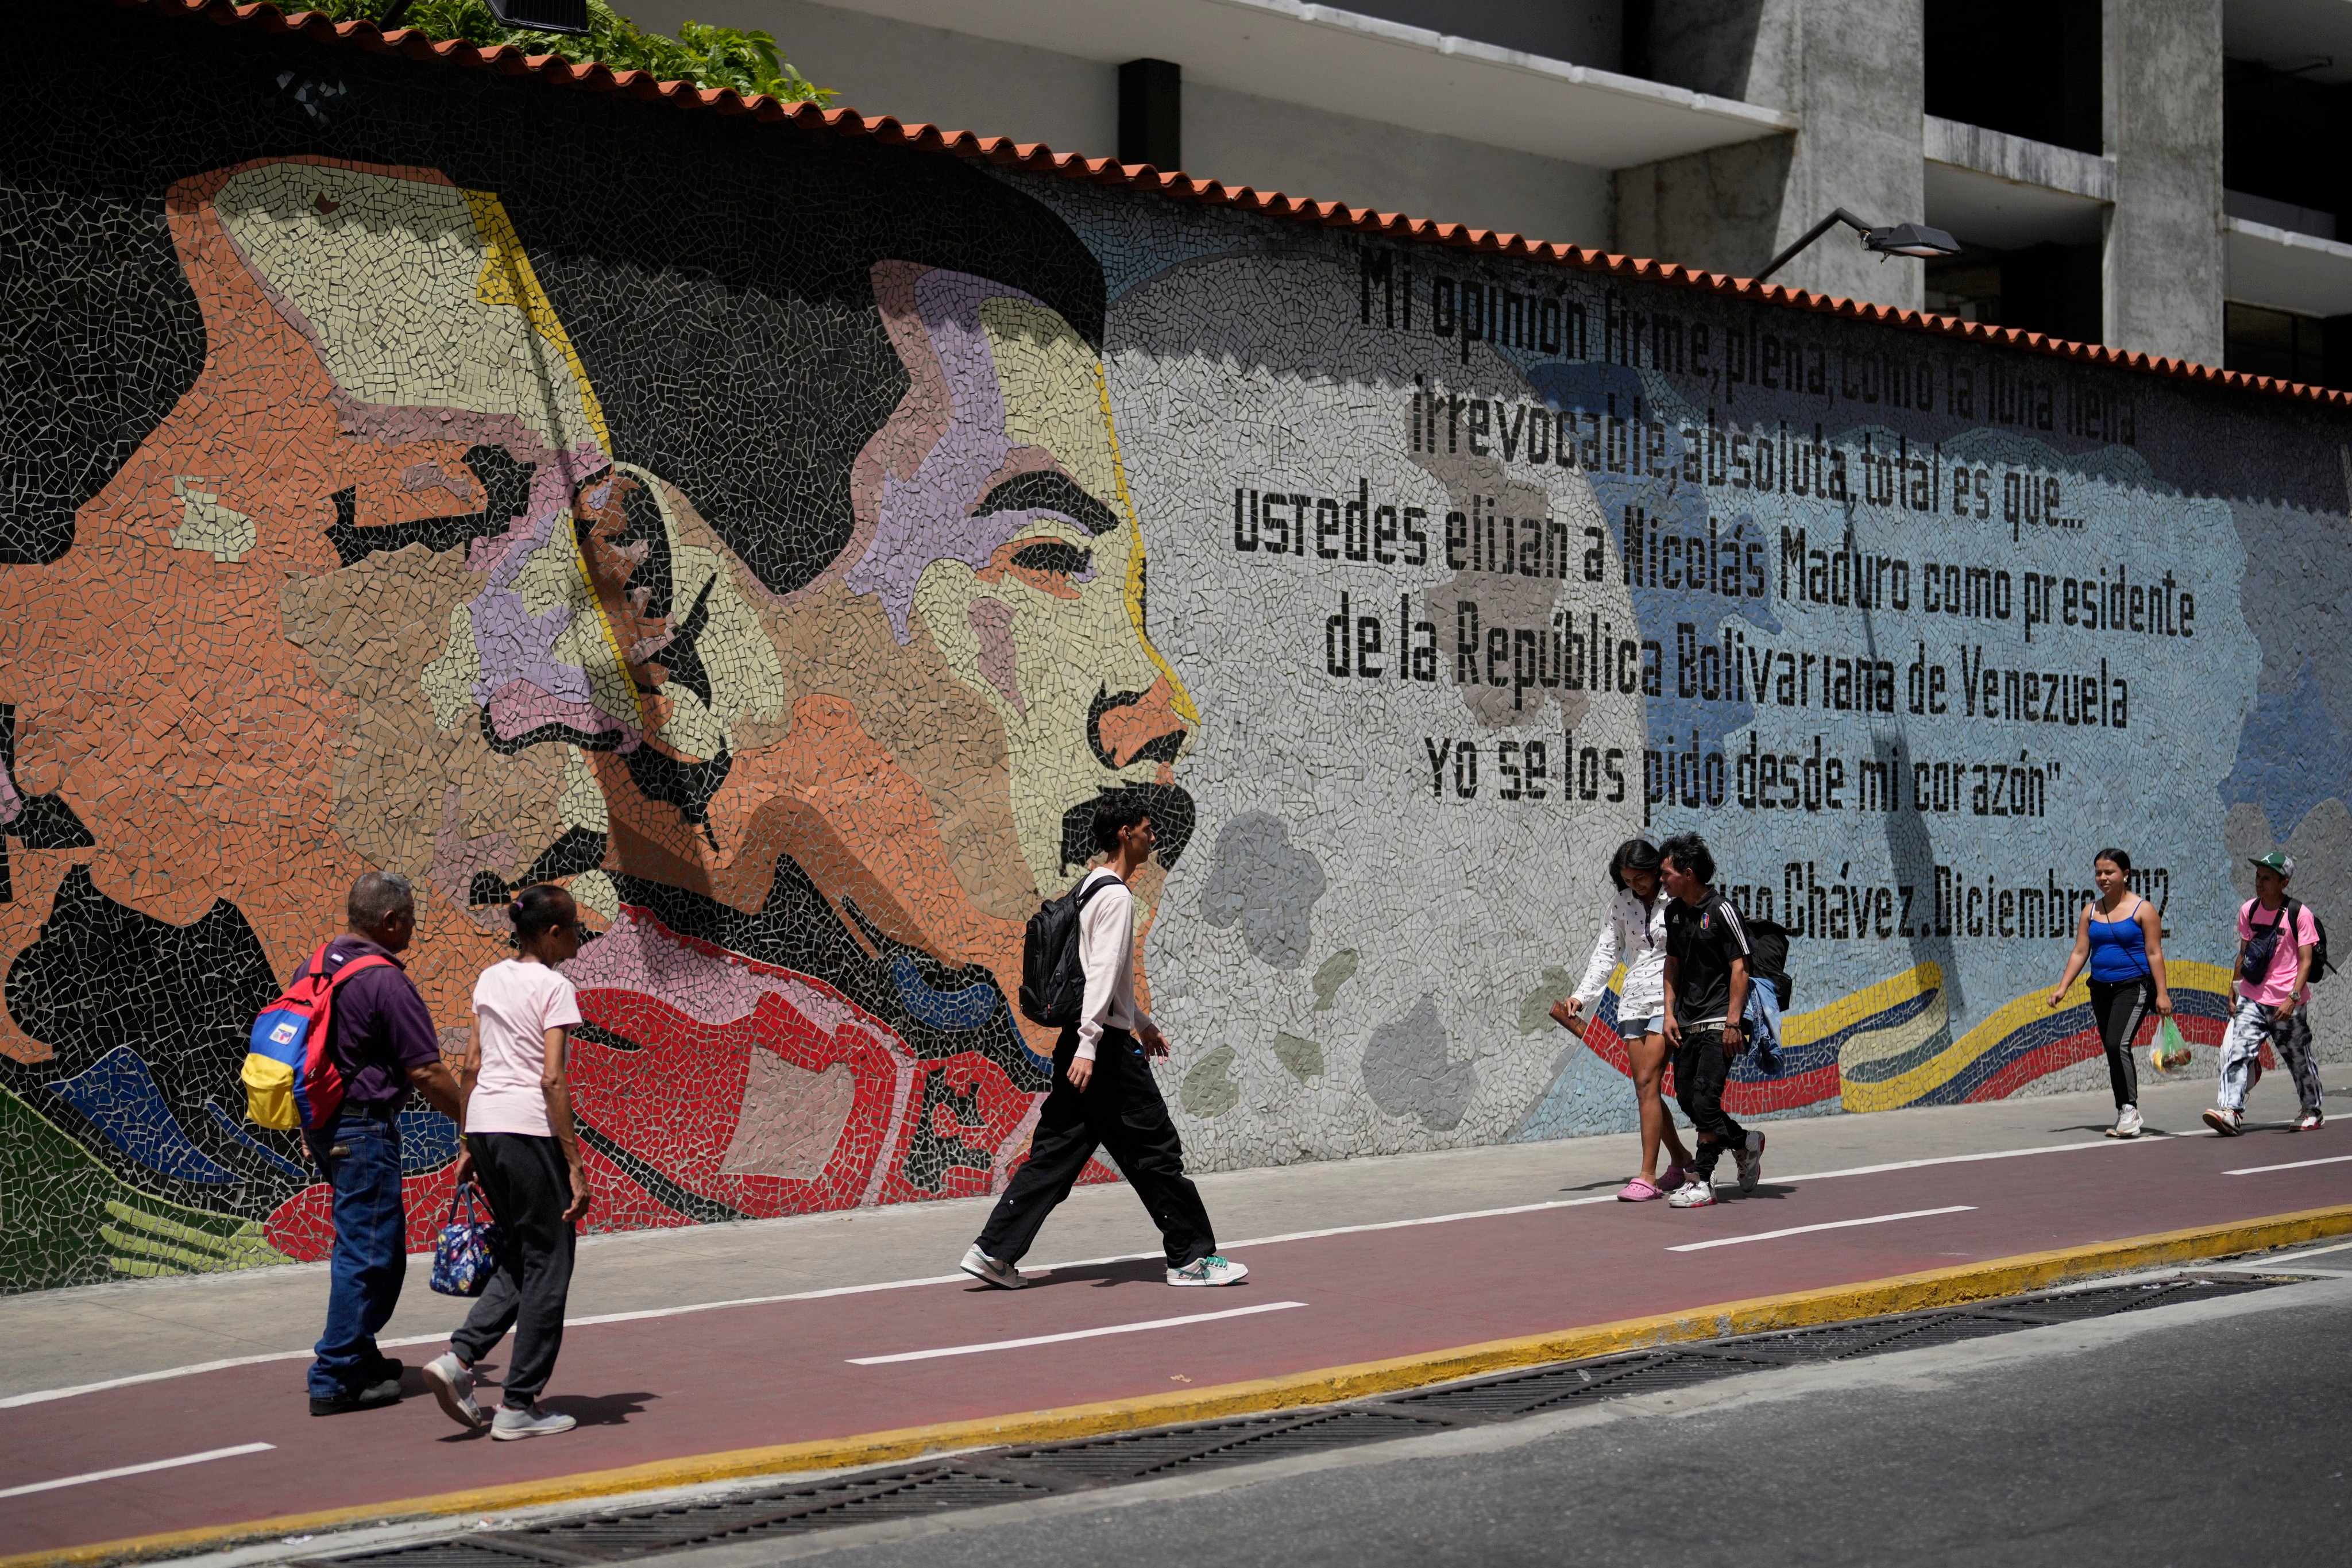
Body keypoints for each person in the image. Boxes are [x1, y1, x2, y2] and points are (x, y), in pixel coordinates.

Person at [959, 800, 1245, 1288]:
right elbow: (1102, 974)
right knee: (1156, 1151)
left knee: (1056, 1153)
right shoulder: (1115, 897)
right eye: (1146, 830)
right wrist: (1094, 1042)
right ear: (1124, 833)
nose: (1152, 839)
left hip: (1086, 1042)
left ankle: (992, 1252)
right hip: (1103, 1053)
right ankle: (1191, 1259)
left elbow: (1098, 974)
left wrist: (1141, 1022)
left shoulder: (1088, 887)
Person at [420, 885, 593, 1438]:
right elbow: (551, 1078)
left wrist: (469, 1144)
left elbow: (471, 1065)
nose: (577, 936)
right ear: (550, 933)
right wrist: (574, 1164)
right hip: (526, 1129)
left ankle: (459, 1359)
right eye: (573, 927)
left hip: (489, 1128)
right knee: (553, 1258)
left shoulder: (490, 978)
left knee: (525, 1251)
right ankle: (518, 1404)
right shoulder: (556, 988)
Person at [306, 872, 466, 1416]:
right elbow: (425, 1071)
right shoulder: (386, 981)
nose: (416, 928)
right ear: (390, 921)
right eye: (413, 918)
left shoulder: (325, 962)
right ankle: (335, 1376)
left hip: (330, 1124)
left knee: (369, 1247)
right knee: (369, 1256)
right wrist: (476, 1118)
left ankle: (360, 1355)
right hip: (364, 1129)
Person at [1557, 839, 1693, 1201]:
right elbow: (1606, 953)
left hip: (1670, 997)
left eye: (1641, 877)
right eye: (1628, 880)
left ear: (1654, 869)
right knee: (1645, 1089)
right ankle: (1681, 1162)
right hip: (1633, 1002)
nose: (1637, 885)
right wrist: (1580, 996)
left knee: (1649, 1081)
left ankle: (1647, 1176)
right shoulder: (1620, 905)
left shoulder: (1677, 898)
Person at [1658, 833, 1766, 1209]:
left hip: (1721, 1020)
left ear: (1687, 874)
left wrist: (1734, 1023)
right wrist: (1669, 1013)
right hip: (1685, 1023)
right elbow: (1671, 964)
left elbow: (1741, 968)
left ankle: (1702, 1180)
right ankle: (1744, 1142)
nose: (1662, 880)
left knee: (1705, 1100)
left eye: (1666, 873)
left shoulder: (1721, 911)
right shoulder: (1673, 914)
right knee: (1687, 1099)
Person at [2045, 848, 2172, 1138]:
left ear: (2125, 874)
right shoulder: (2091, 911)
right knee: (2113, 1049)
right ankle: (2124, 1110)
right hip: (2100, 987)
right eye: (2099, 873)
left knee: (2118, 1044)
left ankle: (2130, 1109)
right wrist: (2063, 987)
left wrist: (2162, 993)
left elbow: (2154, 952)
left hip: (2133, 986)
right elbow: (2080, 951)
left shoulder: (2143, 910)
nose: (2103, 878)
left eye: (2109, 872)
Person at [2207, 851, 2326, 1136]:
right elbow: (2244, 954)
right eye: (2258, 877)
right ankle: (2231, 1111)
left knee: (2297, 1057)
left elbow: (2306, 961)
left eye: (2267, 878)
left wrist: (2293, 998)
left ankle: (2312, 1109)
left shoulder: (2300, 914)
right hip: (2252, 996)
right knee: (2238, 1052)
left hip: (2287, 1001)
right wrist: (2234, 990)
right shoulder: (2249, 910)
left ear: (2283, 882)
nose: (2259, 883)